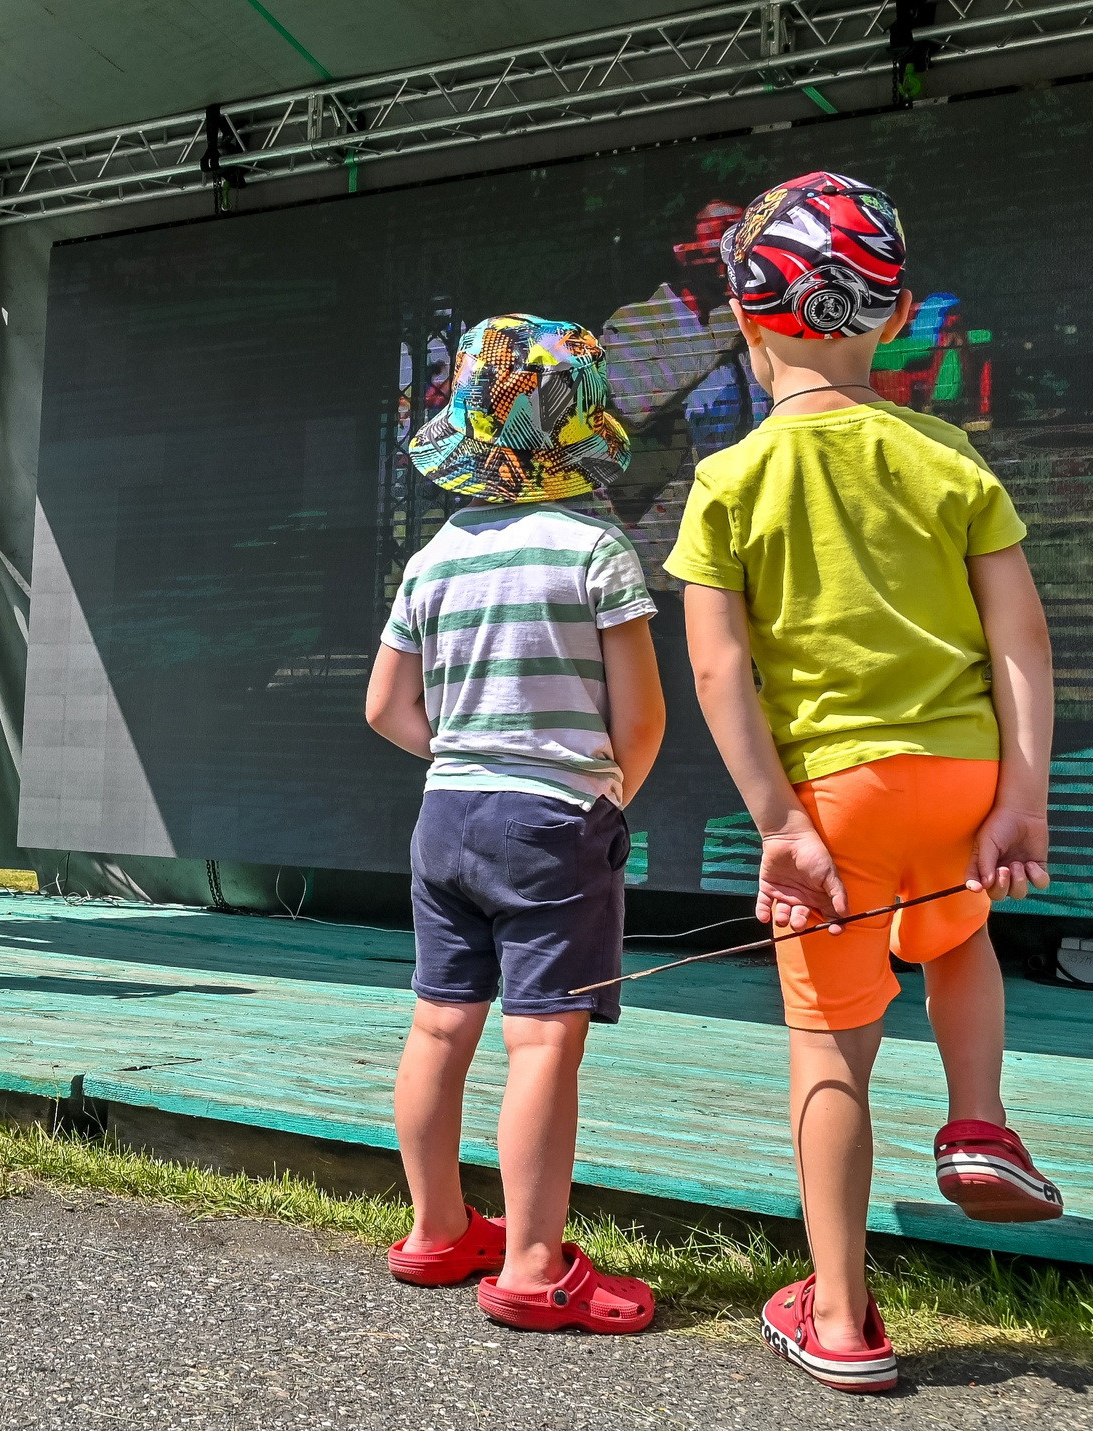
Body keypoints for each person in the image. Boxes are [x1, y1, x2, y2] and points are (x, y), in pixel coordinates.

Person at [668, 172, 1060, 1394]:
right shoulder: (946, 457)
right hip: (958, 779)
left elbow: (716, 666)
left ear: (743, 317)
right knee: (957, 943)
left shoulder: (730, 482)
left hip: (831, 802)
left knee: (827, 1050)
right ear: (889, 319)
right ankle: (978, 1121)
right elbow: (1020, 642)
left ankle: (838, 1316)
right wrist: (1021, 795)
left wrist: (778, 821)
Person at [366, 314, 666, 1335]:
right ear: (577, 431)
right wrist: (604, 791)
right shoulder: (597, 548)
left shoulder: (431, 558)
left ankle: (437, 1230)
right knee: (542, 1044)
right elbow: (641, 718)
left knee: (439, 1024)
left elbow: (384, 711)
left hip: (443, 816)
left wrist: (465, 758)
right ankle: (536, 1266)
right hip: (551, 823)